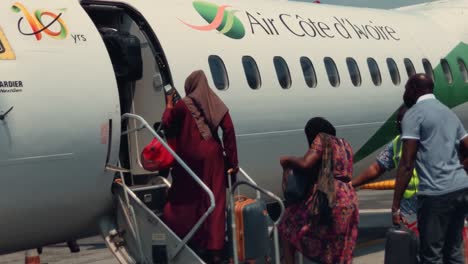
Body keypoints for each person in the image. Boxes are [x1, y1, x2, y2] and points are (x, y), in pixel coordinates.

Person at [161, 70, 238, 263]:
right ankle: (215, 249)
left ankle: (189, 238)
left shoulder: (182, 105)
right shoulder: (215, 102)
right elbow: (228, 129)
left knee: (188, 198)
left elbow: (167, 124)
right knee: (215, 201)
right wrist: (232, 162)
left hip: (189, 160)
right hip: (213, 159)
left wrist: (169, 103)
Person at [392, 73, 468, 264]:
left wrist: (395, 205)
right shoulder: (448, 112)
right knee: (454, 251)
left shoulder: (413, 114)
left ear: (416, 89)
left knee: (431, 255)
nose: (405, 92)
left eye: (407, 88)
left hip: (435, 194)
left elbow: (407, 164)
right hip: (460, 189)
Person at [279, 117, 359, 264]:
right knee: (339, 248)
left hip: (332, 197)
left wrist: (287, 160)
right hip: (349, 197)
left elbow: (306, 163)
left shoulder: (322, 138)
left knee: (287, 224)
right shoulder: (345, 144)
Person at [352, 105, 419, 232]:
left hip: (430, 203)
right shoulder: (397, 143)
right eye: (398, 122)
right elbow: (377, 167)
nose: (399, 125)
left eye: (402, 122)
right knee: (410, 245)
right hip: (408, 209)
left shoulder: (430, 141)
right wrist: (352, 184)